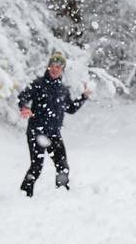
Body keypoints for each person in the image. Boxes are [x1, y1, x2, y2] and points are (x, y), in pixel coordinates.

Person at [17, 52, 90, 197]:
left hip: (54, 134)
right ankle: (24, 194)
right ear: (49, 67)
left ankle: (62, 193)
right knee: (36, 166)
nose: (55, 69)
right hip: (37, 132)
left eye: (59, 67)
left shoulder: (63, 90)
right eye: (53, 66)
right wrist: (24, 107)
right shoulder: (38, 84)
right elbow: (23, 97)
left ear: (62, 70)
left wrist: (83, 97)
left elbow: (71, 109)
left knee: (63, 166)